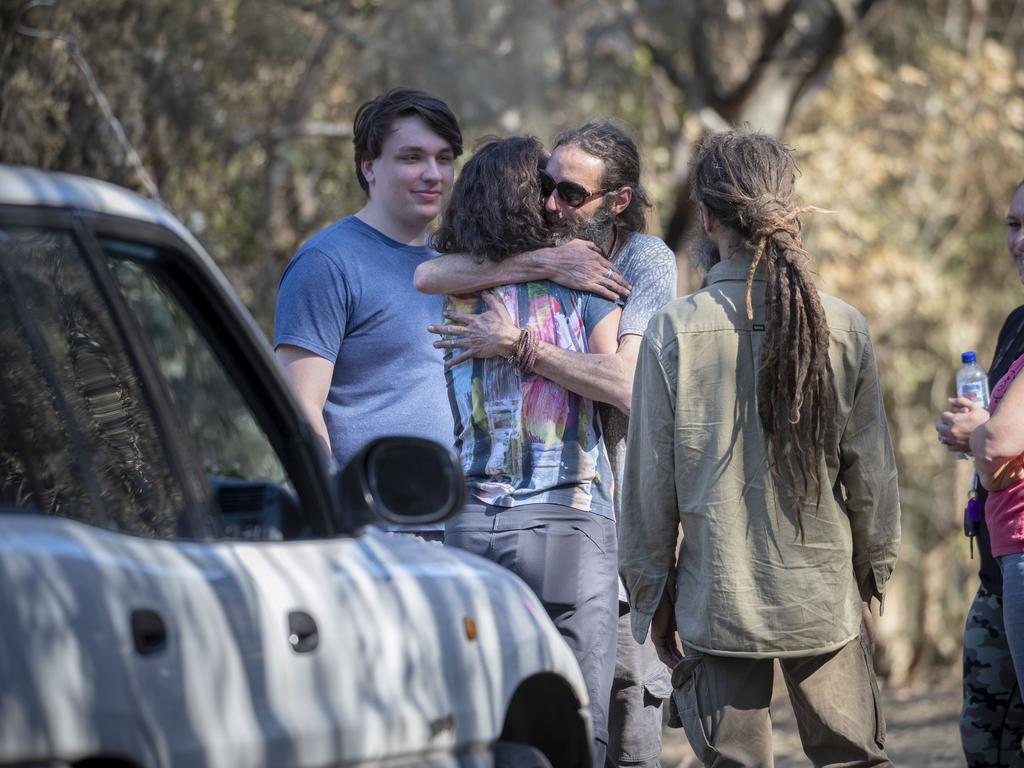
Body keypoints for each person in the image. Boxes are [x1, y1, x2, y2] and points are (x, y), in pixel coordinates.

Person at [621, 129, 901, 767]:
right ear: (789, 209)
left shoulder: (674, 329)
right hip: (822, 592)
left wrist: (651, 593)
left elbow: (648, 485)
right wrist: (872, 569)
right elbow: (873, 477)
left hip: (717, 597)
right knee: (853, 759)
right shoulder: (842, 325)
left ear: (708, 217)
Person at [418, 121, 677, 768]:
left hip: (620, 518)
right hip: (571, 518)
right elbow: (426, 272)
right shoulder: (530, 268)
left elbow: (627, 385)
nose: (555, 205)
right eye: (545, 190)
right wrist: (541, 262)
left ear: (616, 200)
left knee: (628, 711)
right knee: (558, 719)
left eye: (569, 193)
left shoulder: (638, 263)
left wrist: (521, 346)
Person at [273, 88, 461, 539]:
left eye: (445, 157)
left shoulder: (457, 264)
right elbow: (301, 410)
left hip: (459, 528)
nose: (432, 174)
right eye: (412, 157)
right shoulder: (327, 263)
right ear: (369, 165)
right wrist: (339, 521)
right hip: (378, 534)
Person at [939, 180, 1024, 766]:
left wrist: (981, 438)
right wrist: (966, 435)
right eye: (1013, 226)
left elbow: (1000, 446)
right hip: (998, 565)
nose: (1018, 240)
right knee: (984, 735)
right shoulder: (1017, 323)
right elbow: (990, 441)